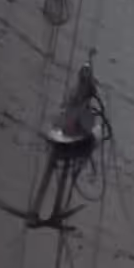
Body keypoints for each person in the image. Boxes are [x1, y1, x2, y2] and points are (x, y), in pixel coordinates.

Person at [27, 62, 108, 226]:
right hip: (65, 135)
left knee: (62, 174)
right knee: (51, 171)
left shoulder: (84, 96)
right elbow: (70, 113)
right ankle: (36, 210)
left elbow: (81, 115)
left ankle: (54, 211)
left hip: (70, 138)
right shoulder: (76, 94)